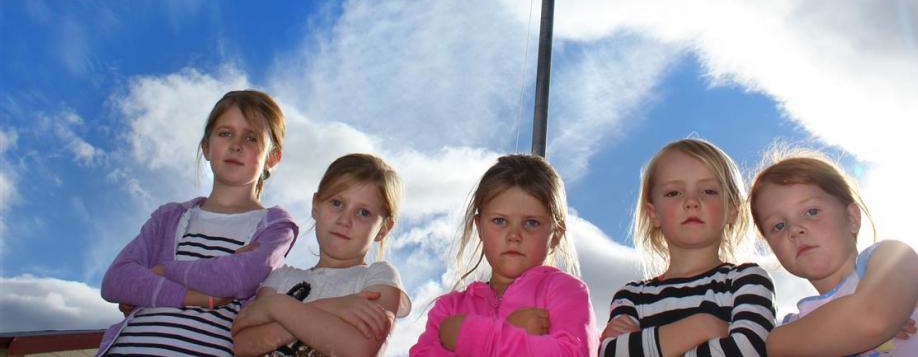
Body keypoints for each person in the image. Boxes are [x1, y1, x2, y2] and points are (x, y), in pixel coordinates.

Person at [97, 89, 300, 357]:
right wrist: (198, 297)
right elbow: (116, 280)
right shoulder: (170, 217)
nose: (236, 144)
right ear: (206, 146)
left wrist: (159, 272)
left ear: (272, 158)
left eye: (251, 138)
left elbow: (238, 278)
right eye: (225, 133)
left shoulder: (275, 226)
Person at [750, 150, 918, 356]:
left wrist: (850, 325)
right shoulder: (788, 328)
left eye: (812, 212)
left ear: (852, 217)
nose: (794, 229)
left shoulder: (892, 256)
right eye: (779, 225)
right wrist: (849, 324)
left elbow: (872, 319)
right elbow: (775, 346)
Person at [410, 153, 598, 356]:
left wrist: (468, 335)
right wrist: (508, 329)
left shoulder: (566, 291)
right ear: (479, 227)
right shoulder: (449, 308)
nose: (514, 235)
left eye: (531, 223)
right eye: (499, 221)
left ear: (555, 235)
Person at [600, 138, 775, 357]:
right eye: (674, 193)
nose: (691, 201)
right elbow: (613, 352)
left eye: (708, 191)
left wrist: (648, 343)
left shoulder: (747, 281)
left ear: (732, 209)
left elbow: (746, 350)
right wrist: (703, 326)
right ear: (654, 214)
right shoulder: (632, 295)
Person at [232, 153, 411, 357]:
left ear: (383, 229)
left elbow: (359, 349)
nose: (345, 220)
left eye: (363, 213)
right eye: (336, 203)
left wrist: (276, 307)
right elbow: (242, 344)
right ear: (316, 205)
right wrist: (332, 308)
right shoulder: (281, 276)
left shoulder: (379, 276)